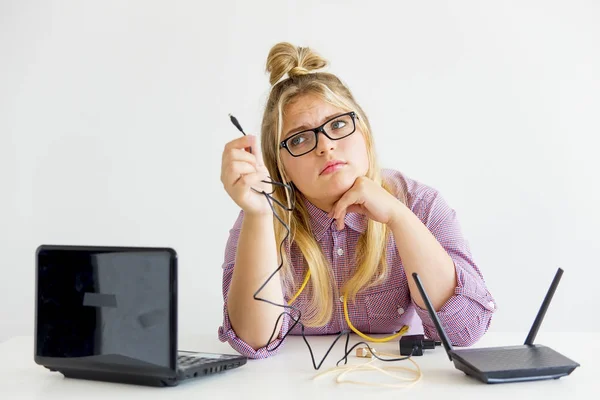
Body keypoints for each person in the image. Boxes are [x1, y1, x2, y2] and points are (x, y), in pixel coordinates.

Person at [218, 42, 496, 359]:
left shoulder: (421, 203)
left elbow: (465, 330)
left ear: (363, 131)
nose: (325, 147)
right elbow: (253, 342)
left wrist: (398, 218)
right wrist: (257, 216)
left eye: (337, 124)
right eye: (300, 138)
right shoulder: (263, 218)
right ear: (280, 164)